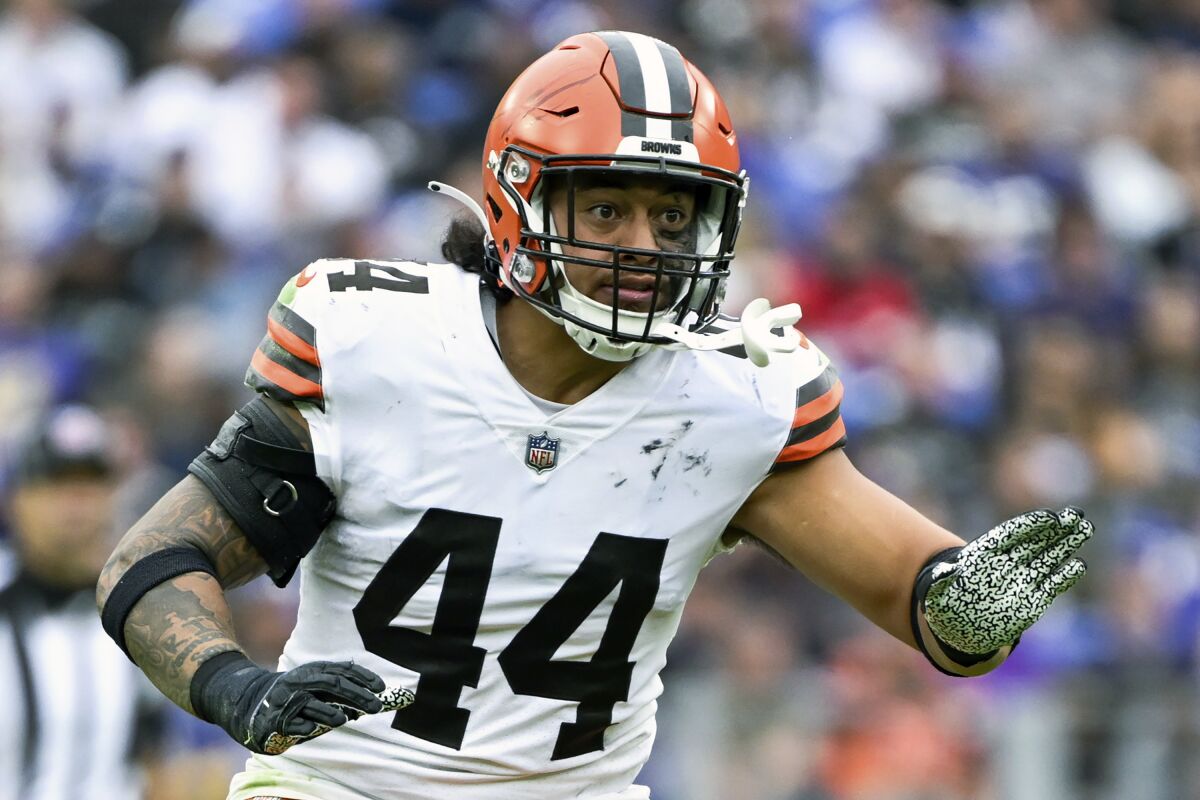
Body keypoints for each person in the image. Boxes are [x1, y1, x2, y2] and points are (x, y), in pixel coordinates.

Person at [96, 31, 1092, 800]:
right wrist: (237, 686)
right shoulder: (378, 343)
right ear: (519, 202)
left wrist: (970, 605)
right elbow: (149, 563)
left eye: (672, 216)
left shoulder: (734, 399)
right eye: (608, 210)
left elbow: (922, 597)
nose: (646, 245)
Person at [0, 405, 165, 799]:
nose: (76, 507)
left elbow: (155, 761)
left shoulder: (140, 614)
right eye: (57, 485)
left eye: (91, 486)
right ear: (17, 500)